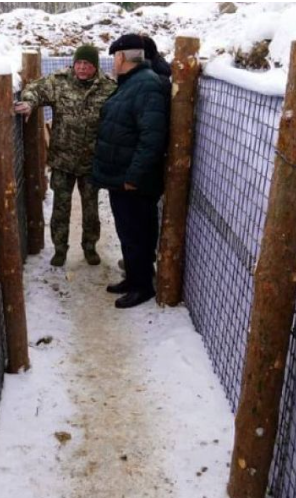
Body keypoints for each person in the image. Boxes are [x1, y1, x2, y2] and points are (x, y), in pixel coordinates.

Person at [14, 45, 116, 267]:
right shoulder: (59, 81)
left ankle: (90, 247)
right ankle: (60, 249)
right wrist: (30, 103)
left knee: (90, 209)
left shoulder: (108, 88)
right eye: (79, 63)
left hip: (91, 161)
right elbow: (35, 89)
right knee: (61, 207)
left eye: (87, 64)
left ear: (95, 66)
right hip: (62, 160)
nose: (81, 68)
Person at [92, 34, 168, 309]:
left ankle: (142, 286)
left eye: (114, 57)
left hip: (133, 181)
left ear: (122, 57)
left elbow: (152, 138)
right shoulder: (133, 83)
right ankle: (134, 278)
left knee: (138, 232)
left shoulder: (145, 86)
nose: (113, 62)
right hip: (122, 178)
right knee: (128, 230)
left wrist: (133, 177)